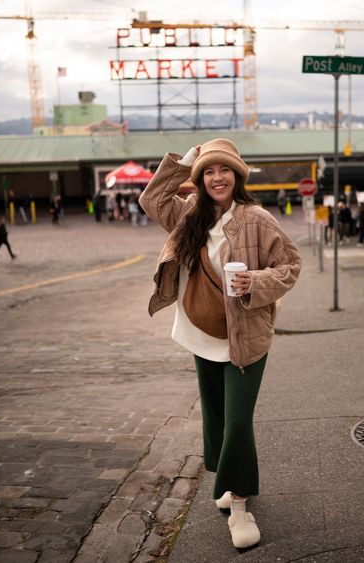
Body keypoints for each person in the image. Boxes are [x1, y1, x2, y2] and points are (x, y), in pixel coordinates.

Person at [139, 139, 302, 550]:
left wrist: (257, 282)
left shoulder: (257, 219)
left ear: (238, 175)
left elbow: (290, 265)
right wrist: (187, 161)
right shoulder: (187, 215)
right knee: (214, 416)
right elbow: (151, 197)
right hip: (200, 331)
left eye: (224, 170)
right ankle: (228, 481)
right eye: (208, 172)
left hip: (244, 336)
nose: (216, 178)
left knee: (237, 421)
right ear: (199, 179)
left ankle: (241, 505)